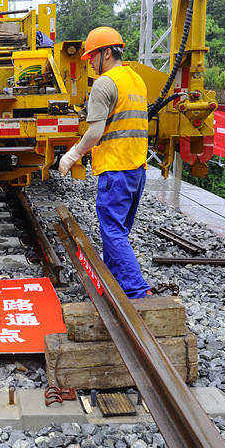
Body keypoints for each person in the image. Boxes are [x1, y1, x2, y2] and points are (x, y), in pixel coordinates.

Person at [58, 26, 152, 298]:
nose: (89, 63)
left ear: (107, 53)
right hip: (137, 170)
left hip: (115, 169)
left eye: (92, 57)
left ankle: (136, 292)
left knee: (112, 232)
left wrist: (72, 155)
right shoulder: (136, 80)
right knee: (118, 231)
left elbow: (95, 131)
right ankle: (112, 281)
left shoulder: (104, 83)